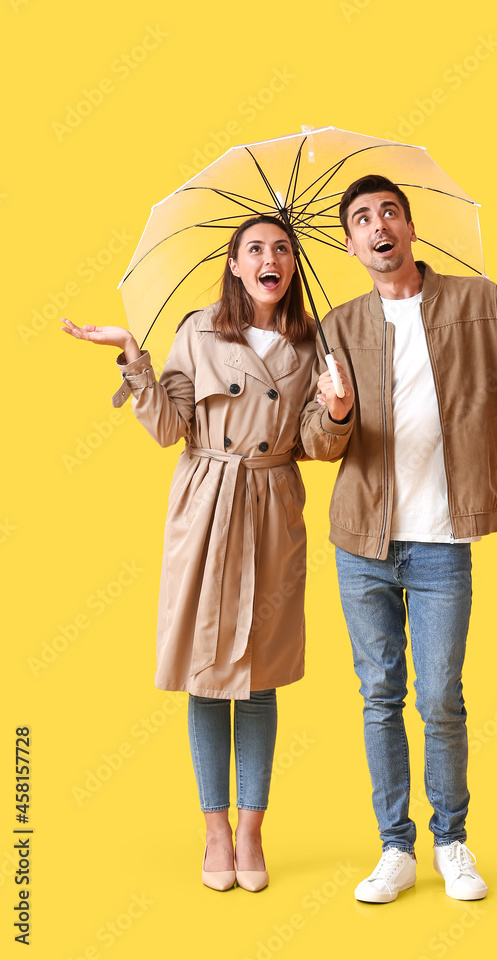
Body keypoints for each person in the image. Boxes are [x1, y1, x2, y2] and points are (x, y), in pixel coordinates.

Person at [300, 174, 497, 904]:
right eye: (361, 218)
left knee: (441, 698)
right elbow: (316, 444)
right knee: (378, 695)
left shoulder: (478, 302)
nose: (377, 225)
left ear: (410, 226)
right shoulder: (337, 325)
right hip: (361, 541)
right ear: (351, 242)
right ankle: (395, 849)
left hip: (440, 541)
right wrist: (331, 412)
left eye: (388, 211)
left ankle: (451, 840)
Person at [61, 214, 353, 894]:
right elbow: (168, 427)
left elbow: (315, 444)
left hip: (272, 506)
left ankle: (251, 831)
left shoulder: (315, 343)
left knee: (259, 673)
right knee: (205, 669)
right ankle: (214, 828)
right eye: (255, 248)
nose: (269, 259)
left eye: (281, 249)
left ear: (291, 265)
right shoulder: (197, 330)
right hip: (205, 506)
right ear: (233, 261)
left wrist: (336, 411)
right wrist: (134, 355)